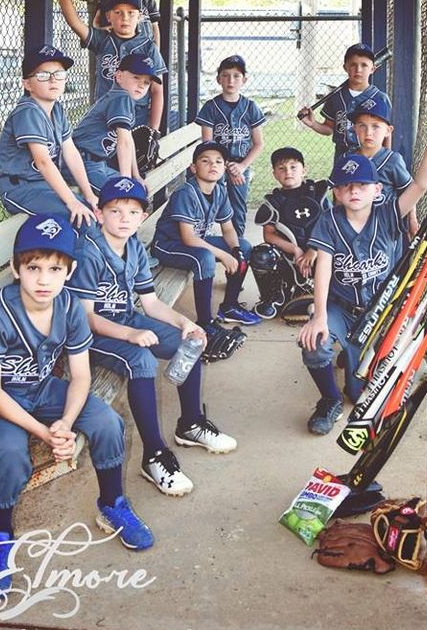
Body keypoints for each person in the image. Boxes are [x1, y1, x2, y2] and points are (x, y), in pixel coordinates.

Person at [0, 214, 154, 598]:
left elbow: (80, 376)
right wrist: (43, 433)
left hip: (42, 387)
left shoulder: (68, 306)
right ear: (15, 268)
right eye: (33, 267)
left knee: (106, 422)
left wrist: (65, 421)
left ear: (71, 270)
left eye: (55, 268)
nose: (44, 279)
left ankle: (112, 503)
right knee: (10, 451)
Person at [67, 176, 236, 497]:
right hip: (88, 337)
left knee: (192, 342)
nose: (124, 219)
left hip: (127, 319)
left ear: (143, 217)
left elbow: (151, 302)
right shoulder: (89, 251)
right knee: (141, 360)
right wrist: (131, 333)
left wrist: (184, 323)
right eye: (115, 211)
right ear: (99, 213)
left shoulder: (133, 246)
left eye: (132, 212)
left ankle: (191, 423)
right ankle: (154, 455)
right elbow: (84, 318)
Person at [297, 128, 427, 436]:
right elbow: (324, 266)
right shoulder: (330, 220)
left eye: (362, 184)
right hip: (341, 308)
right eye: (346, 186)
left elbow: (422, 183)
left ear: (377, 189)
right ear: (336, 192)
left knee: (359, 391)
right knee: (314, 345)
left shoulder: (388, 213)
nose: (354, 191)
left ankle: (351, 368)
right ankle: (329, 399)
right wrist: (318, 315)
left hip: (381, 313)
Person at [151, 141, 262, 356]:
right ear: (194, 168)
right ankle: (205, 321)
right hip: (169, 245)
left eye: (219, 162)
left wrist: (236, 251)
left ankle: (229, 306)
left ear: (224, 167)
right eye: (206, 161)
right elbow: (189, 238)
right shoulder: (186, 192)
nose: (213, 165)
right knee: (205, 258)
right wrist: (222, 254)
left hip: (194, 243)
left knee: (245, 247)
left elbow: (228, 229)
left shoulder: (220, 190)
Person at [0, 44, 98, 227]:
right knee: (81, 219)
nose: (53, 80)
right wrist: (72, 201)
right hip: (21, 188)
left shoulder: (57, 109)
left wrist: (89, 194)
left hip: (44, 186)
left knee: (94, 211)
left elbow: (71, 153)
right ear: (27, 84)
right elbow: (43, 161)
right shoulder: (28, 111)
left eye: (59, 74)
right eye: (43, 75)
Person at [53, 0, 166, 129]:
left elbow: (157, 90)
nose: (125, 18)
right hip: (104, 117)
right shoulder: (103, 40)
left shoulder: (148, 47)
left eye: (131, 13)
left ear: (139, 17)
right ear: (109, 16)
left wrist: (153, 130)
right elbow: (76, 24)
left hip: (136, 118)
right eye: (118, 12)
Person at [250, 146, 328, 319]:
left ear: (304, 170)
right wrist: (295, 249)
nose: (288, 172)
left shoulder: (318, 195)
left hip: (320, 252)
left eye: (294, 167)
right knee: (261, 255)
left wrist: (313, 250)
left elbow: (330, 228)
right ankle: (274, 297)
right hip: (288, 255)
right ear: (274, 174)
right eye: (281, 168)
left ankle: (329, 298)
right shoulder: (274, 202)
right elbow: (269, 235)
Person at [195, 54, 266, 237]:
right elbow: (208, 145)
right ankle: (204, 236)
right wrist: (227, 167)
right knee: (209, 199)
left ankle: (238, 242)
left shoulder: (250, 107)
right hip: (215, 164)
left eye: (236, 76)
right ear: (218, 79)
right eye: (225, 75)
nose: (230, 80)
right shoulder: (211, 107)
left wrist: (241, 167)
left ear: (244, 79)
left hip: (242, 164)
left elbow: (258, 144)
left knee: (238, 205)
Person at [69, 53, 160, 194]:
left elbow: (128, 140)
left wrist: (135, 175)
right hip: (80, 163)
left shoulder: (123, 98)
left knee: (135, 192)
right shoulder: (121, 98)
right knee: (124, 195)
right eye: (136, 77)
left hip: (96, 164)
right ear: (119, 76)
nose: (141, 85)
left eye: (147, 82)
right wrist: (126, 180)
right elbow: (123, 142)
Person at [299, 42, 392, 160]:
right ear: (345, 68)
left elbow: (386, 134)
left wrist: (387, 159)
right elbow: (329, 128)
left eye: (364, 65)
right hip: (342, 157)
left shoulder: (380, 98)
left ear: (372, 68)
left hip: (372, 158)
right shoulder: (336, 97)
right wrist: (313, 124)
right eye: (353, 65)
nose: (358, 69)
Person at [349, 96, 419, 238]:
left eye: (375, 126)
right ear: (355, 129)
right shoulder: (347, 160)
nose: (368, 132)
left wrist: (412, 220)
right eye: (362, 126)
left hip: (385, 233)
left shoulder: (392, 161)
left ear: (388, 130)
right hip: (353, 231)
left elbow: (409, 191)